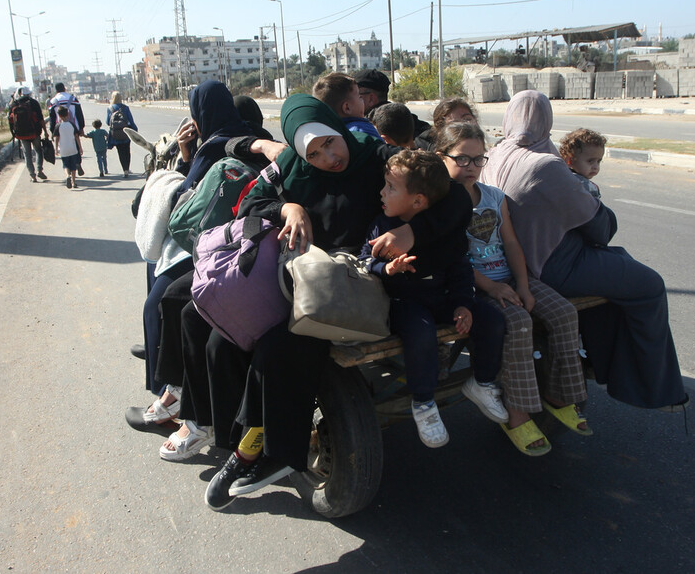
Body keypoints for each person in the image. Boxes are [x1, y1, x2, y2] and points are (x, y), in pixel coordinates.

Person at [202, 94, 473, 510]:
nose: (329, 157)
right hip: (307, 278)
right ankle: (241, 439)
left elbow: (452, 197)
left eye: (330, 142)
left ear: (338, 126)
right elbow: (253, 203)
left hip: (359, 286)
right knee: (225, 338)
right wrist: (286, 206)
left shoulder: (376, 156)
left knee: (280, 347)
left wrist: (410, 234)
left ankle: (264, 453)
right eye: (314, 151)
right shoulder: (290, 167)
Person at [481, 90, 688, 410]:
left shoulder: (497, 154)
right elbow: (600, 227)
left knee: (620, 262)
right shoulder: (546, 164)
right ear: (546, 122)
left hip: (513, 261)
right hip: (552, 265)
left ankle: (604, 363)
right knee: (649, 284)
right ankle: (653, 387)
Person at [436, 121, 590, 456]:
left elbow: (511, 242)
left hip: (508, 278)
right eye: (462, 159)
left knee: (564, 313)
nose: (471, 168)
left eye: (478, 160)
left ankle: (558, 394)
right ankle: (517, 414)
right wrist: (492, 287)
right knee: (518, 323)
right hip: (472, 286)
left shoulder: (493, 196)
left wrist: (523, 284)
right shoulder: (439, 204)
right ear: (441, 157)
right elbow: (451, 259)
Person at [124, 81, 255, 435]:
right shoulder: (246, 137)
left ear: (201, 114)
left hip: (216, 245)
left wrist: (185, 158)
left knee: (160, 302)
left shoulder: (216, 147)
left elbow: (188, 197)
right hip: (238, 241)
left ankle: (168, 395)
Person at [361, 149, 507, 448]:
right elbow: (363, 261)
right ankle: (424, 402)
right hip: (405, 304)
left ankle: (482, 382)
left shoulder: (443, 227)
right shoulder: (381, 225)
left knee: (492, 319)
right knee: (421, 332)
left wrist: (464, 303)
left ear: (418, 200)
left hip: (442, 298)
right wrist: (386, 269)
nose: (382, 192)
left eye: (390, 187)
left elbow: (460, 265)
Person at [353, 68, 430, 138]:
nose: (350, 101)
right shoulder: (408, 119)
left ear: (371, 99)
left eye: (356, 95)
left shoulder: (366, 129)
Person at [312, 72, 381, 138]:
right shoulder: (362, 131)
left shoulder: (329, 134)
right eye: (359, 96)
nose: (362, 100)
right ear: (347, 108)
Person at [8, 87, 48, 182]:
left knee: (27, 154)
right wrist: (45, 132)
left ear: (20, 93)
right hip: (34, 133)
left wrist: (13, 133)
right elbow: (41, 119)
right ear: (29, 94)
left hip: (21, 134)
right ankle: (39, 169)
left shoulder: (14, 104)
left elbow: (10, 120)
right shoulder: (34, 103)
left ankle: (32, 175)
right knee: (38, 150)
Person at [559, 128, 605, 199]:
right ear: (569, 161)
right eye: (590, 161)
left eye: (598, 161)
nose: (595, 167)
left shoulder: (559, 177)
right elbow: (595, 209)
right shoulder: (586, 187)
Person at [106, 91, 139, 177]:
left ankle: (124, 169)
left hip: (116, 135)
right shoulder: (125, 108)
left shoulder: (110, 108)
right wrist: (135, 130)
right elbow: (131, 121)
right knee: (127, 151)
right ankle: (127, 169)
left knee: (120, 152)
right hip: (125, 132)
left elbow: (107, 122)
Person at [54, 106, 83, 189]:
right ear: (68, 114)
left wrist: (56, 149)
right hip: (73, 148)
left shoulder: (58, 126)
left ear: (59, 115)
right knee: (73, 166)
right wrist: (80, 147)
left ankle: (67, 176)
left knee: (66, 165)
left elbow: (56, 138)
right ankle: (73, 182)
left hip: (63, 149)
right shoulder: (72, 124)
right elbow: (77, 137)